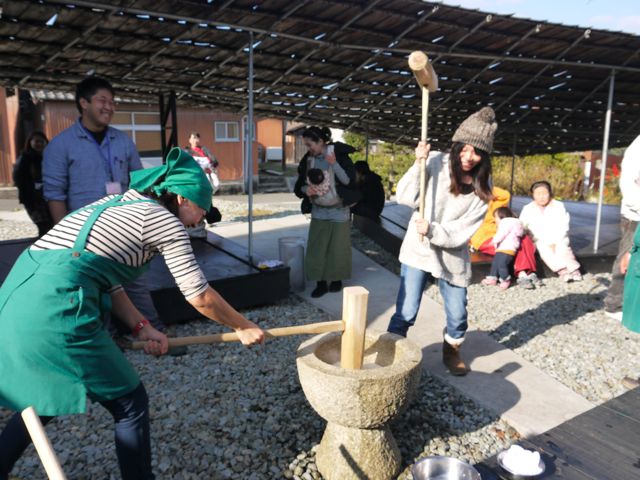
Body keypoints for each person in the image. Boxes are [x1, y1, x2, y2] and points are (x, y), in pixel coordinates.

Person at [0, 148, 265, 480]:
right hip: (55, 308)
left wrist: (142, 327)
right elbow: (199, 295)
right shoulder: (163, 221)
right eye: (201, 208)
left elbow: (107, 281)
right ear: (182, 198)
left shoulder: (118, 203)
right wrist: (242, 325)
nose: (200, 220)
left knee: (42, 395)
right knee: (130, 403)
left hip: (15, 300)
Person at [42, 76, 167, 338]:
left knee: (136, 282)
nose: (109, 107)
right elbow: (55, 194)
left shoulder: (123, 141)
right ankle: (106, 341)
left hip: (125, 227)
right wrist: (65, 241)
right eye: (102, 100)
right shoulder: (61, 145)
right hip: (85, 233)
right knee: (93, 288)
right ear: (83, 103)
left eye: (112, 102)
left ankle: (156, 334)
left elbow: (139, 183)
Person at [387, 106, 496, 376]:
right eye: (465, 149)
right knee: (406, 309)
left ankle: (451, 350)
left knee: (458, 315)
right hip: (419, 248)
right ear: (457, 145)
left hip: (452, 254)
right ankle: (390, 351)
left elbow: (463, 229)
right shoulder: (434, 161)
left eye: (477, 152)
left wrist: (434, 230)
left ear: (484, 156)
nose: (468, 157)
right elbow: (404, 197)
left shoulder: (484, 185)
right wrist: (418, 164)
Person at [294, 126, 358, 298]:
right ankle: (320, 283)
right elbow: (300, 185)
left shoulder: (340, 155)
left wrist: (334, 163)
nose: (308, 148)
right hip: (319, 210)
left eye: (310, 144)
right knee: (317, 247)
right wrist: (306, 190)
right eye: (306, 145)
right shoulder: (308, 160)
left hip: (339, 209)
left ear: (321, 141)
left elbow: (349, 182)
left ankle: (336, 279)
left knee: (338, 247)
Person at [469, 187, 540, 289]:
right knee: (514, 248)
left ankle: (524, 273)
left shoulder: (491, 206)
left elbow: (505, 195)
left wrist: (483, 188)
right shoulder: (465, 206)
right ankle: (523, 273)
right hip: (485, 238)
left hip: (505, 235)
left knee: (525, 240)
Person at [604, 135, 640, 321]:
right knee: (627, 257)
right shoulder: (637, 148)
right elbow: (629, 185)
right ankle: (614, 304)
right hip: (635, 215)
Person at [519, 181, 582, 282]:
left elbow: (564, 225)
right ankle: (562, 271)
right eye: (538, 194)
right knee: (544, 250)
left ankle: (574, 270)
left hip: (558, 237)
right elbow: (522, 225)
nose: (541, 197)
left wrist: (555, 241)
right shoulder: (527, 208)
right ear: (533, 195)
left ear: (550, 193)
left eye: (544, 193)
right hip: (538, 239)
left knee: (562, 248)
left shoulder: (559, 206)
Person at [12, 131, 53, 237]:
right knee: (43, 225)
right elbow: (18, 178)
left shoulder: (51, 157)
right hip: (33, 199)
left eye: (41, 141)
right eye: (36, 141)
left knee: (52, 225)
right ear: (30, 143)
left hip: (49, 196)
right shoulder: (25, 158)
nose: (39, 144)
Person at [481, 207, 524, 289]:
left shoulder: (505, 222)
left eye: (495, 217)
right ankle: (492, 278)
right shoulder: (514, 223)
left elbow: (501, 234)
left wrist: (494, 241)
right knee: (495, 263)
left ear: (502, 215)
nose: (494, 220)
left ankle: (505, 279)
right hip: (503, 249)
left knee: (502, 264)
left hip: (507, 248)